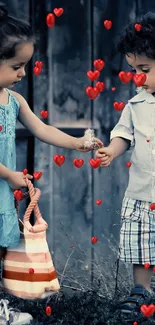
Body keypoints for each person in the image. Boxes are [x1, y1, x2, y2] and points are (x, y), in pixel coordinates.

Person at [0, 3, 103, 324]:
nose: (23, 73)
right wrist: (9, 174)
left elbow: (42, 128)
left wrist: (77, 143)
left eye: (26, 65)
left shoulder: (14, 100)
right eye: (17, 65)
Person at [95, 11, 155, 316]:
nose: (138, 77)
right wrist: (112, 151)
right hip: (143, 192)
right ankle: (140, 292)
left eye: (144, 68)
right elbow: (123, 135)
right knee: (141, 247)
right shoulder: (135, 104)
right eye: (133, 70)